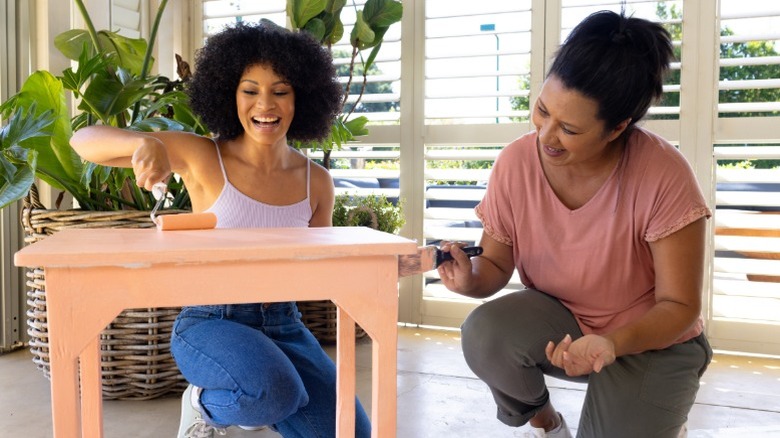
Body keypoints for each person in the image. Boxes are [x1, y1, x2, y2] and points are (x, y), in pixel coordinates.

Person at [70, 21, 371, 438]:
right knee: (273, 393)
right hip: (212, 322)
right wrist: (144, 144)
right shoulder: (202, 156)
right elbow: (83, 140)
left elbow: (319, 270)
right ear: (230, 94)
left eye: (280, 91)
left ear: (302, 97)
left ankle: (258, 388)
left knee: (349, 432)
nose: (265, 105)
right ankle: (202, 404)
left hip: (285, 324)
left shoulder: (315, 181)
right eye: (250, 90)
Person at [436, 10, 713, 438]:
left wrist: (614, 343)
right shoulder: (515, 162)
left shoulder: (663, 174)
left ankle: (652, 407)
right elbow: (494, 265)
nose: (546, 136)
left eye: (568, 128)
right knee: (486, 332)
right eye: (543, 110)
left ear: (617, 127)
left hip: (653, 342)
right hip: (562, 323)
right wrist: (468, 279)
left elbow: (680, 307)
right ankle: (548, 427)